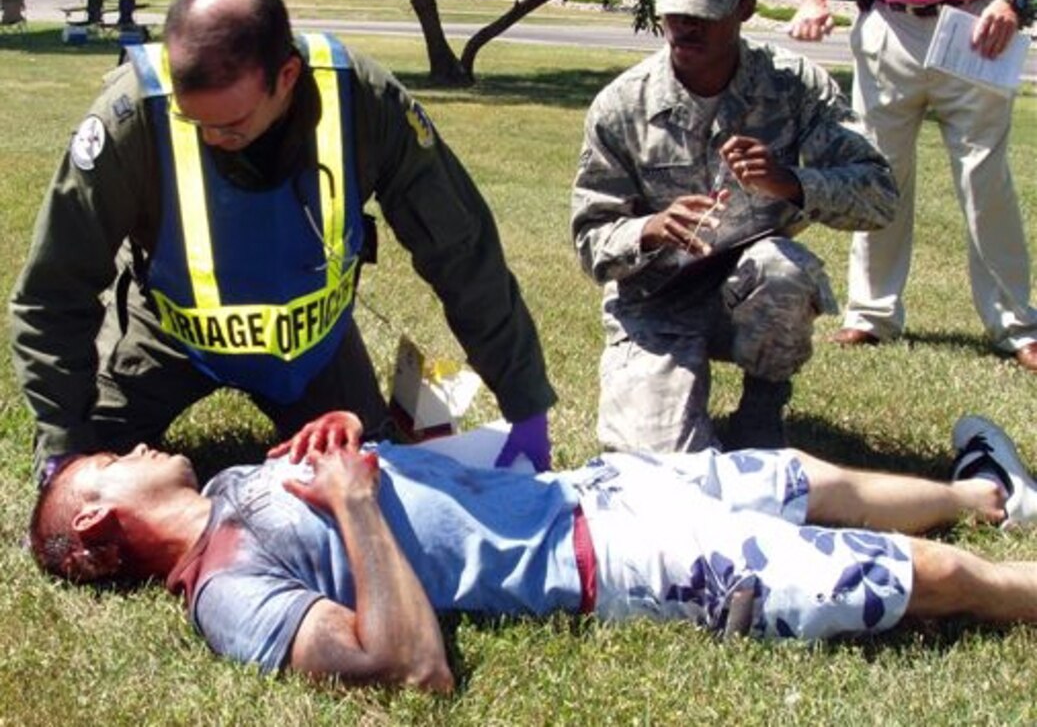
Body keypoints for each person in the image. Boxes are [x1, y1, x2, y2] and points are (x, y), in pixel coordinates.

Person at [29, 408, 1037, 693]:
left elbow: (384, 478)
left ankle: (980, 490)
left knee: (792, 475)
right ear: (93, 527)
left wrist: (365, 442)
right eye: (110, 463)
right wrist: (357, 505)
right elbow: (405, 665)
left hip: (577, 488)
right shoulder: (225, 592)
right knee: (923, 581)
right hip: (602, 557)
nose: (140, 445)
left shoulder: (232, 491)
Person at [8, 0, 556, 484]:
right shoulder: (128, 118)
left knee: (371, 466)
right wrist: (65, 448)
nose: (208, 138)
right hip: (168, 337)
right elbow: (54, 291)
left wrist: (525, 406)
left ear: (286, 76)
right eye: (190, 118)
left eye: (231, 124)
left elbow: (462, 252)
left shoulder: (366, 101)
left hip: (310, 346)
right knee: (98, 468)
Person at [571, 0, 897, 453]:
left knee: (784, 270)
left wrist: (791, 183)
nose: (686, 25)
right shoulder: (622, 106)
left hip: (751, 293)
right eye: (676, 9)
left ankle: (762, 407)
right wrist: (650, 229)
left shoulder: (794, 88)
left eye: (705, 11)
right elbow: (590, 241)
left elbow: (879, 196)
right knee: (652, 463)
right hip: (655, 301)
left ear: (745, 7)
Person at [790, 0, 1037, 370]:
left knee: (984, 178)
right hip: (886, 20)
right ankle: (871, 314)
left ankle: (1016, 324)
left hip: (975, 23)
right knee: (879, 173)